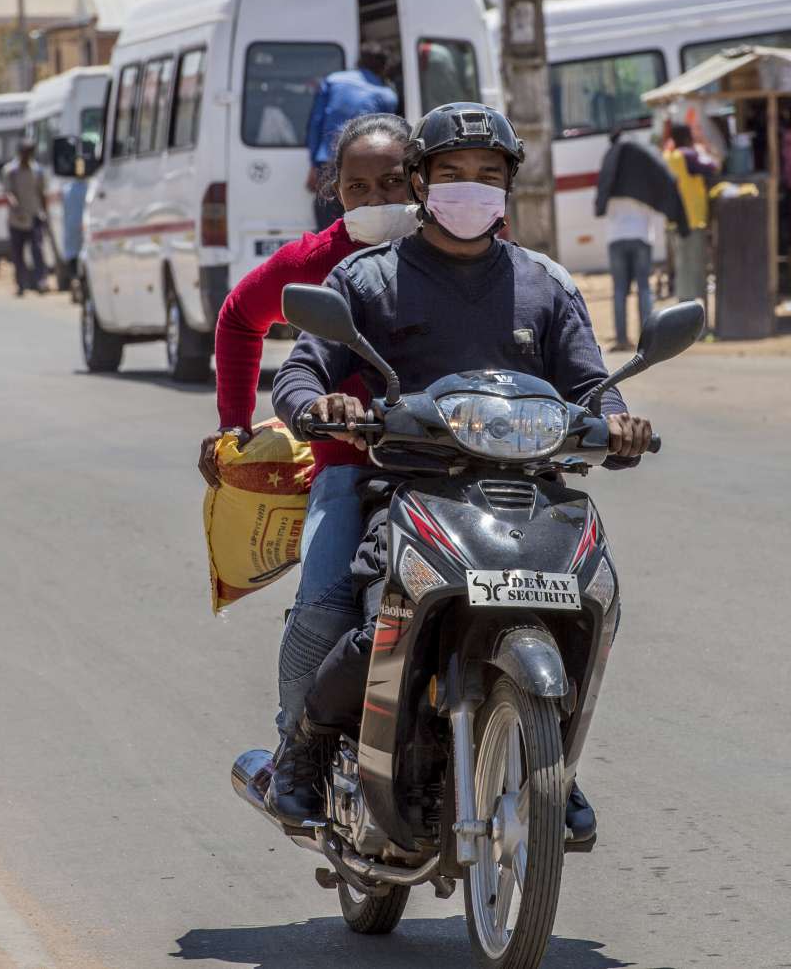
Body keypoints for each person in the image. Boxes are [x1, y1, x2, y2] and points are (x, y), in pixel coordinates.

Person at [269, 102, 653, 839]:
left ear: (508, 188)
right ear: (420, 182)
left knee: (580, 604)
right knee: (375, 620)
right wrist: (320, 403)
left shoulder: (546, 285)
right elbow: (303, 371)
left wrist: (621, 422)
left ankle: (551, 761)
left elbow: (590, 386)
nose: (471, 189)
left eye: (488, 176)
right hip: (410, 489)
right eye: (452, 174)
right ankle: (307, 750)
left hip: (530, 494)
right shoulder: (367, 278)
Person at [199, 112, 417, 739]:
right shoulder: (320, 261)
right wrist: (232, 427)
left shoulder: (464, 248)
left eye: (395, 183)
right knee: (324, 607)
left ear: (424, 181)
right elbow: (239, 317)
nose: (378, 201)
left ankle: (550, 764)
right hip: (350, 470)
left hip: (460, 461)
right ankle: (296, 743)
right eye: (359, 189)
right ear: (337, 192)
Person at [595, 128, 689, 351]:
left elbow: (602, 204)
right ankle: (649, 341)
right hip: (641, 238)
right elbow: (662, 190)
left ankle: (621, 339)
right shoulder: (644, 179)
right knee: (644, 289)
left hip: (616, 239)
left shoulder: (612, 173)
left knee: (619, 290)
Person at [306, 43, 398, 230]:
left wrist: (314, 165)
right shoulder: (387, 96)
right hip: (366, 169)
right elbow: (388, 136)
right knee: (366, 229)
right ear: (384, 68)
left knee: (328, 229)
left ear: (359, 61)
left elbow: (315, 123)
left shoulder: (333, 81)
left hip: (328, 164)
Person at [663, 123, 717, 303]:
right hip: (692, 221)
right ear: (687, 138)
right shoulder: (688, 155)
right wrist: (703, 149)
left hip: (673, 223)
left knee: (682, 270)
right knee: (695, 271)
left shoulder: (668, 157)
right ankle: (697, 321)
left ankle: (684, 314)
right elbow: (712, 166)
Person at [3, 139, 47, 297]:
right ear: (20, 152)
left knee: (37, 250)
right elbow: (8, 193)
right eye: (25, 152)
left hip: (34, 216)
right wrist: (16, 208)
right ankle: (21, 283)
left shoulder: (37, 170)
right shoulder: (10, 171)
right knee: (18, 253)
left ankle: (41, 281)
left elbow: (42, 193)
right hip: (17, 219)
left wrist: (44, 213)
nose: (27, 155)